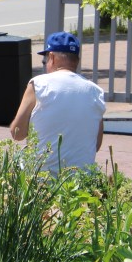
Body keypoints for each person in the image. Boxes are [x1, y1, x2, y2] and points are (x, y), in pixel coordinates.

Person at [9, 32, 105, 174]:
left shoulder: (39, 84)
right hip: (81, 179)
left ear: (52, 57)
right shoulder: (96, 92)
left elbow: (17, 133)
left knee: (15, 162)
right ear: (76, 60)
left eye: (45, 60)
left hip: (41, 178)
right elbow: (96, 144)